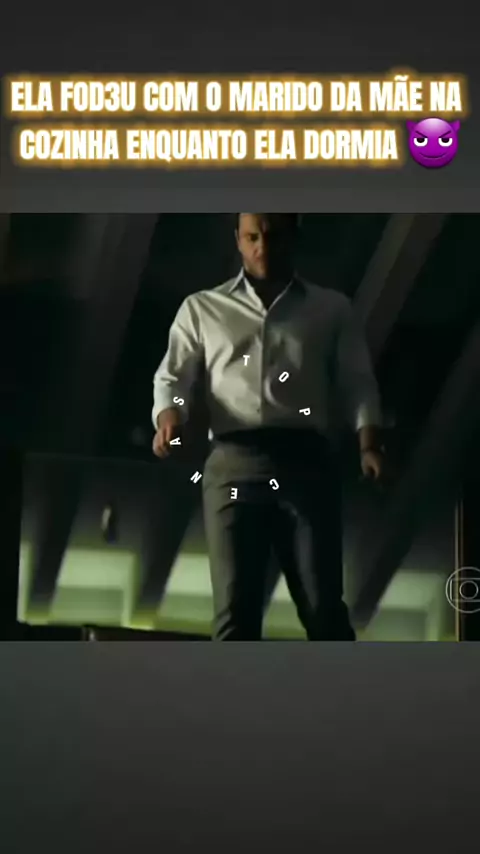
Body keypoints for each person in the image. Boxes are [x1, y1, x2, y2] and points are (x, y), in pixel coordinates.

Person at [152, 213, 385, 641]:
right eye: (252, 237)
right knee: (234, 614)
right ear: (238, 240)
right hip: (232, 461)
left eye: (273, 236)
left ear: (293, 237)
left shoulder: (331, 309)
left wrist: (369, 444)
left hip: (306, 462)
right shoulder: (202, 308)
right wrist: (170, 419)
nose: (262, 247)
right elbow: (174, 377)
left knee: (323, 609)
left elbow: (357, 381)